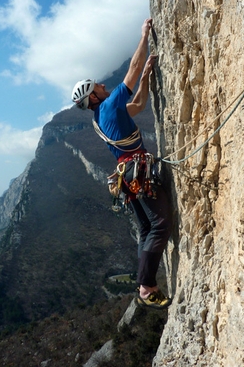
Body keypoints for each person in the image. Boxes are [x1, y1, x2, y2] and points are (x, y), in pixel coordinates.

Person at [71, 18, 172, 309]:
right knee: (160, 225)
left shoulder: (100, 118)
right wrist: (144, 37)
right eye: (98, 85)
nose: (103, 84)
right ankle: (146, 285)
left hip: (127, 179)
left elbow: (138, 106)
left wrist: (148, 79)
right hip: (137, 173)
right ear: (93, 96)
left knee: (145, 229)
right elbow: (133, 69)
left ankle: (145, 283)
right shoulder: (110, 105)